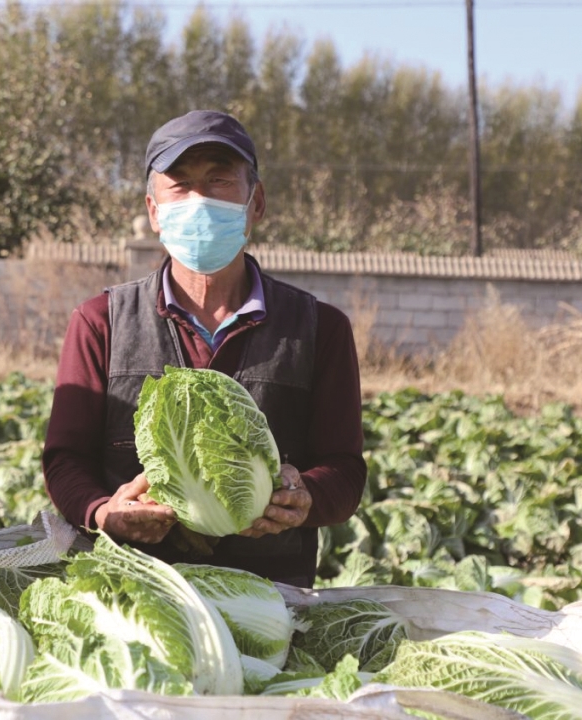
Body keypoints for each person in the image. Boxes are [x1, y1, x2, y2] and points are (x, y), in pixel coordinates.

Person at [43, 110, 366, 588]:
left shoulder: (321, 329)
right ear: (154, 211)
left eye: (219, 181)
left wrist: (306, 496)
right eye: (180, 186)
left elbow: (345, 470)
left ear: (256, 203)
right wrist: (102, 511)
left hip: (269, 600)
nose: (198, 201)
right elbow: (65, 459)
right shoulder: (100, 322)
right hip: (136, 591)